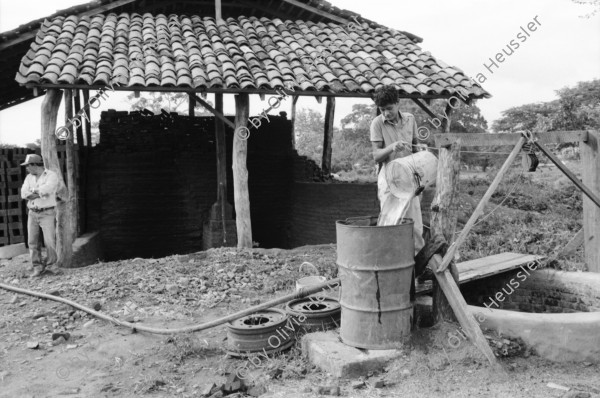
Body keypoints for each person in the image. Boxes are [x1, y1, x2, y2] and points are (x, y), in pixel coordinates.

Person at [370, 85, 425, 253]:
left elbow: (416, 146)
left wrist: (421, 148)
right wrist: (392, 147)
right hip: (389, 177)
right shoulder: (377, 123)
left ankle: (418, 263)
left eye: (389, 108)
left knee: (414, 222)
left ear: (397, 103)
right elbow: (376, 155)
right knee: (390, 220)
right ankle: (390, 259)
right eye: (382, 109)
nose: (386, 113)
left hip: (409, 177)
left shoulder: (410, 119)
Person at [20, 154, 60, 277]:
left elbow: (48, 189)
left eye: (28, 166)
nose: (26, 168)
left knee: (49, 241)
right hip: (32, 212)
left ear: (34, 165)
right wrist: (39, 193)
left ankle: (51, 266)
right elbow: (23, 193)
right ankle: (37, 266)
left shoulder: (51, 175)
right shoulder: (28, 178)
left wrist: (33, 192)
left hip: (47, 212)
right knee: (32, 241)